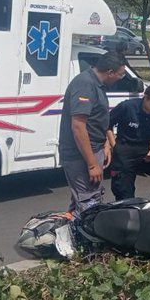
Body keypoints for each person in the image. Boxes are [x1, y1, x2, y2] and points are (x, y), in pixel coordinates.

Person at [58, 51, 126, 214]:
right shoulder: (85, 84)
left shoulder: (97, 84)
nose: (120, 78)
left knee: (81, 201)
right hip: (79, 156)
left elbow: (96, 119)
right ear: (110, 72)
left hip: (95, 150)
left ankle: (69, 235)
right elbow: (78, 127)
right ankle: (85, 237)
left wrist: (105, 144)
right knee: (89, 203)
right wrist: (92, 164)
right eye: (120, 75)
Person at [107, 79, 150, 204]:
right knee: (125, 194)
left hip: (145, 154)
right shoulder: (127, 107)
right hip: (124, 153)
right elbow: (107, 124)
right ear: (145, 97)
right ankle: (127, 215)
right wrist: (114, 146)